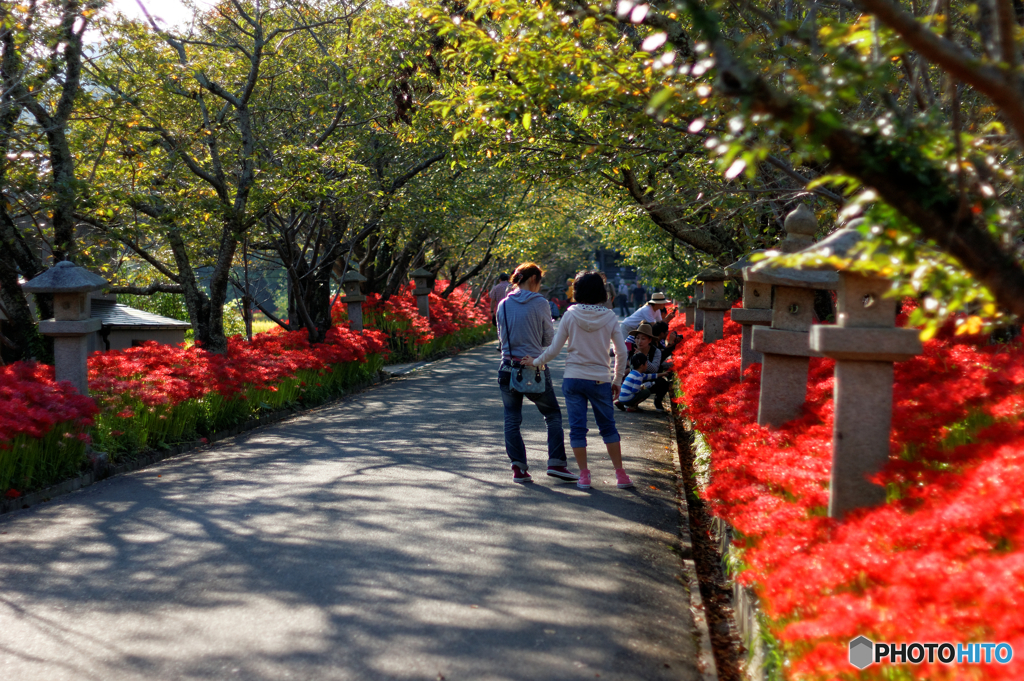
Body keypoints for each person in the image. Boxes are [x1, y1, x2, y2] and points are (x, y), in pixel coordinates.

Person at [525, 271, 632, 490]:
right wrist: (617, 379)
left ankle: (584, 475)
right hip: (600, 380)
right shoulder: (610, 317)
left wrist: (535, 362)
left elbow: (554, 349)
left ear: (577, 291)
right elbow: (621, 352)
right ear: (601, 292)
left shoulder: (570, 314)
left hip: (573, 379)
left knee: (577, 428)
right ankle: (620, 475)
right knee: (608, 428)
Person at [496, 262, 576, 484]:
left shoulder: (502, 304)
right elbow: (548, 340)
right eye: (540, 281)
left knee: (511, 419)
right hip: (534, 369)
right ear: (533, 279)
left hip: (507, 369)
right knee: (552, 415)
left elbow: (501, 338)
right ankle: (556, 464)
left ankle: (519, 469)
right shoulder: (541, 303)